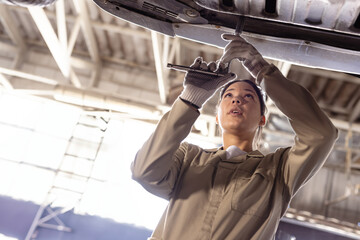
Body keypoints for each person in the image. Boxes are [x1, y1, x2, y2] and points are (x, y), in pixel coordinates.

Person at [131, 34, 338, 240]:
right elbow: (144, 172)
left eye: (248, 96)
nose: (237, 99)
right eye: (228, 95)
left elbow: (321, 135)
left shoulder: (279, 172)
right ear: (217, 118)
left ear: (262, 119)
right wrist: (190, 99)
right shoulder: (188, 157)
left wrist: (261, 70)